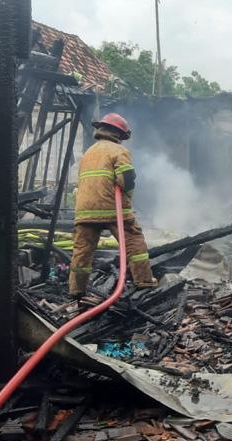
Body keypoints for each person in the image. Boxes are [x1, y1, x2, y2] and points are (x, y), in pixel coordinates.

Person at [69, 113, 157, 302]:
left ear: (101, 130)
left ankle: (77, 289)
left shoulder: (88, 153)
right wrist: (128, 196)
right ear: (119, 134)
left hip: (84, 211)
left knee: (82, 251)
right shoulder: (118, 151)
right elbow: (126, 178)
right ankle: (144, 281)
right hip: (111, 208)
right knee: (134, 241)